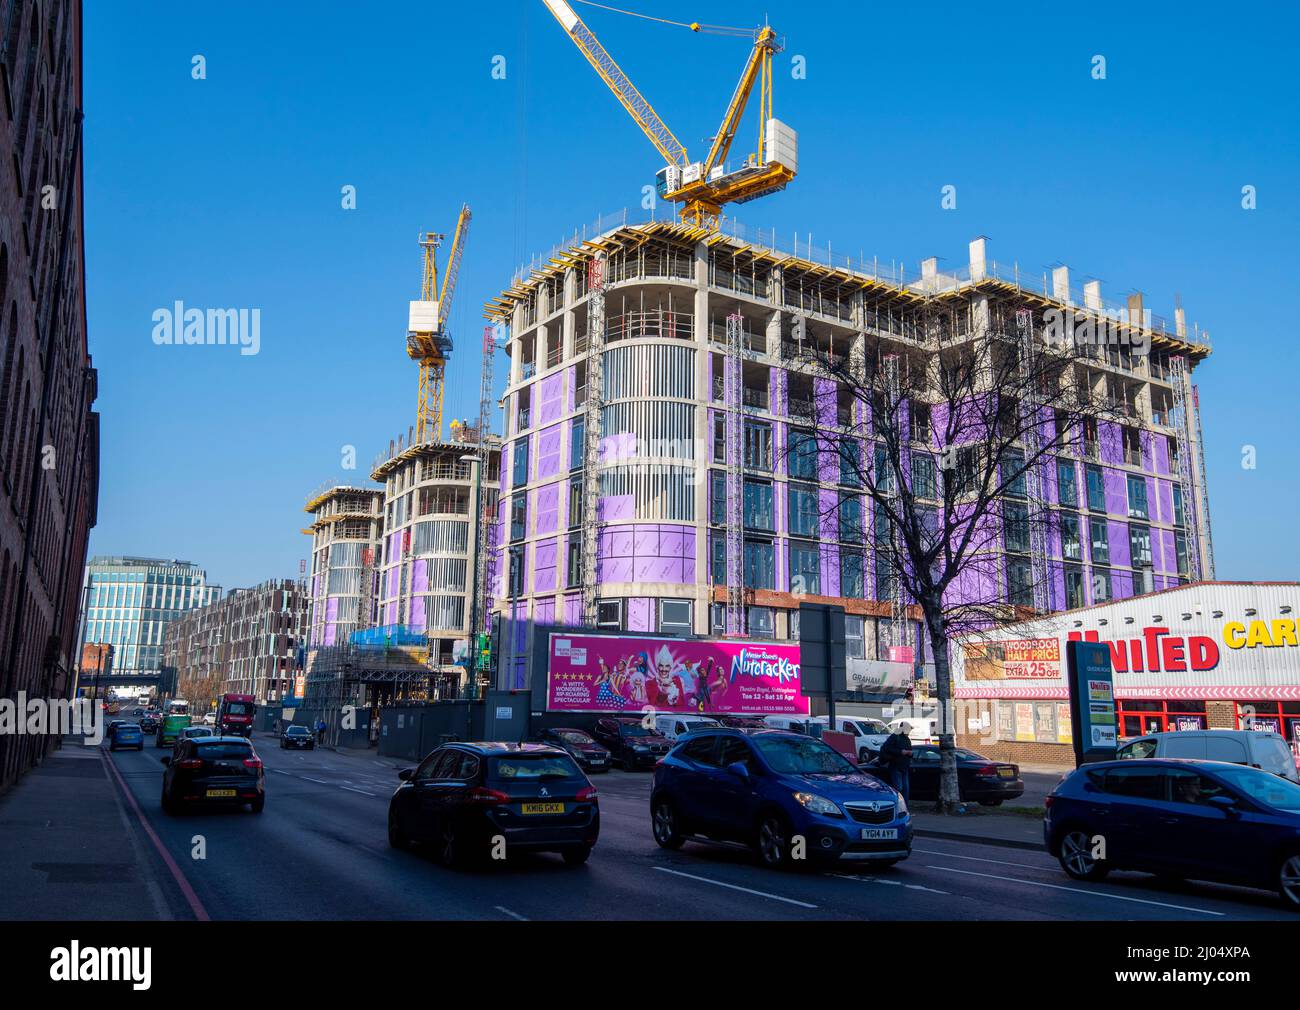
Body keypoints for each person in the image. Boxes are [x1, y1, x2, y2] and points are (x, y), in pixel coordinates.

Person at [880, 722, 913, 803]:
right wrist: (900, 752)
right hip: (896, 766)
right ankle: (898, 807)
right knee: (899, 788)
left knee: (906, 789)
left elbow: (909, 750)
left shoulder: (907, 739)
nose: (909, 732)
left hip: (904, 767)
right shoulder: (895, 736)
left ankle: (905, 808)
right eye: (908, 730)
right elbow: (886, 748)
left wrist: (910, 754)